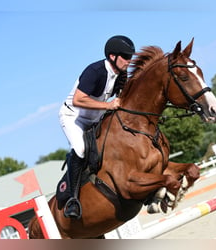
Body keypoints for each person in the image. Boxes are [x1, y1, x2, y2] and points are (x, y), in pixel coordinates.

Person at [58, 35, 135, 219]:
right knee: (81, 149)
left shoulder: (121, 75)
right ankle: (73, 200)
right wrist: (108, 106)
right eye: (125, 57)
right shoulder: (95, 71)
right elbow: (78, 100)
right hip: (73, 116)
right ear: (112, 56)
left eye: (130, 57)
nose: (129, 61)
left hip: (95, 116)